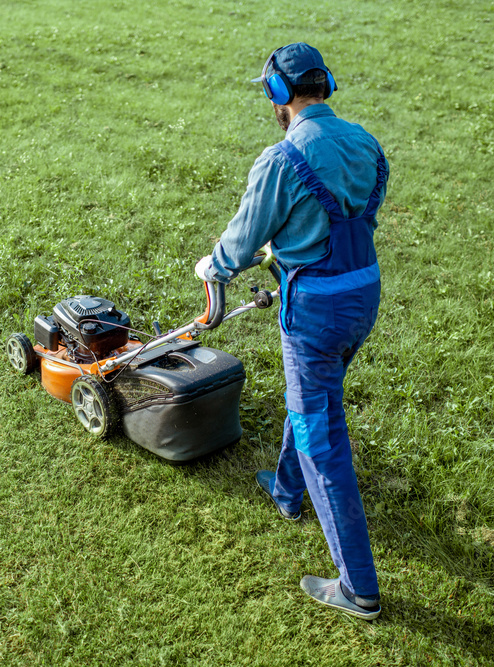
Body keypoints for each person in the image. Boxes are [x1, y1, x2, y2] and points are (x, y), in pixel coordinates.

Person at [195, 42, 388, 620]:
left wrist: (215, 267)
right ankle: (286, 490)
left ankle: (359, 588)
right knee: (314, 398)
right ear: (324, 84)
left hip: (316, 312)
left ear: (278, 94)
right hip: (364, 295)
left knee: (320, 435)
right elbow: (355, 214)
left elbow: (244, 237)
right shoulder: (367, 144)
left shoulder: (282, 159)